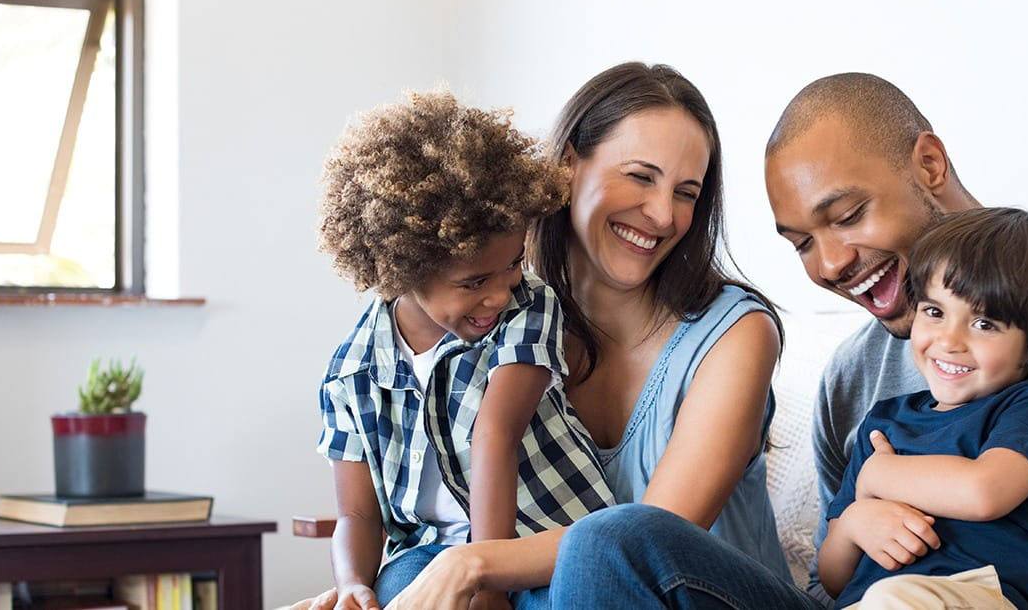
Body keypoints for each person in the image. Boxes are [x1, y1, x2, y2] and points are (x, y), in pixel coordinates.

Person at [550, 72, 1028, 610]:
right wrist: (859, 518)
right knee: (611, 543)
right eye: (801, 243)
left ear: (928, 165)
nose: (829, 265)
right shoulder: (852, 379)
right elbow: (838, 577)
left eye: (848, 214)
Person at [309, 62, 794, 610]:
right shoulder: (492, 318)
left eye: (686, 192)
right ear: (567, 167)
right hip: (565, 590)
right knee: (406, 576)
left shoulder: (737, 333)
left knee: (603, 541)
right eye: (640, 176)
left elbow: (652, 537)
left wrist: (473, 563)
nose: (663, 214)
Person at [309, 91, 614, 610]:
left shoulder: (529, 307)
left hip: (541, 539)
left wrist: (488, 585)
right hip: (427, 550)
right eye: (473, 281)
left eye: (513, 263)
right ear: (403, 269)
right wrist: (353, 583)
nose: (499, 293)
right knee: (393, 592)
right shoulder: (352, 372)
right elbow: (357, 516)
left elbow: (496, 433)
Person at [820, 207, 1028, 609]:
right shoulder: (883, 424)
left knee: (890, 599)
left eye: (984, 324)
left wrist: (878, 477)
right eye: (934, 312)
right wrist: (855, 522)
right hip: (870, 601)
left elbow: (984, 492)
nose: (949, 341)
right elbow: (834, 579)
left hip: (975, 593)